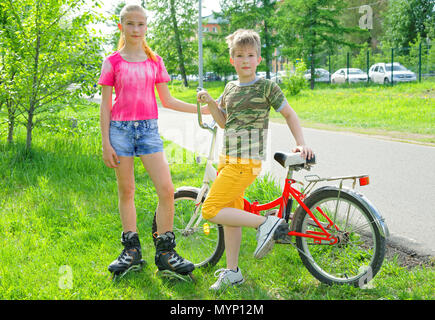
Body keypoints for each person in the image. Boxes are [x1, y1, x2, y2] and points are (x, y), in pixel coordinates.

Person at [197, 29, 314, 291]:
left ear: (259, 59)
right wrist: (210, 103)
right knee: (230, 216)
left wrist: (301, 142)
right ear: (232, 60)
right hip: (226, 159)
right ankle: (233, 271)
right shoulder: (229, 88)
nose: (245, 60)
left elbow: (290, 114)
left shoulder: (266, 87)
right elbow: (224, 122)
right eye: (239, 55)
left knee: (210, 210)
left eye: (250, 55)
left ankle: (267, 223)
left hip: (245, 162)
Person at [98, 4, 206, 279]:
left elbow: (166, 100)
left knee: (167, 189)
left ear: (147, 27)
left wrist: (201, 110)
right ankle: (131, 251)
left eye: (141, 24)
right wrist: (106, 143)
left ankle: (166, 253)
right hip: (120, 131)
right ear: (121, 26)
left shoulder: (154, 61)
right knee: (127, 190)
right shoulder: (113, 61)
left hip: (148, 131)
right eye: (131, 24)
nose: (136, 29)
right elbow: (106, 106)